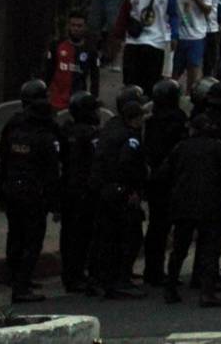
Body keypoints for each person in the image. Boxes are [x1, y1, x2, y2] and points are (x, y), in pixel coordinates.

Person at [159, 113, 221, 306]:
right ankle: (207, 293)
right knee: (209, 249)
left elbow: (163, 174)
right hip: (212, 206)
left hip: (183, 205)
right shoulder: (218, 148)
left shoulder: (181, 147)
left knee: (179, 248)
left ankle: (170, 288)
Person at [0, 79, 61, 302]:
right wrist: (55, 202)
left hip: (13, 188)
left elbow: (3, 160)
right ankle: (21, 287)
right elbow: (53, 168)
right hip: (34, 193)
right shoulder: (46, 128)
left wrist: (1, 192)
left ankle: (15, 277)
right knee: (32, 240)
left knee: (16, 235)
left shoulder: (13, 125)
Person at [91, 94, 149, 299]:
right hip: (120, 194)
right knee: (129, 237)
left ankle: (103, 278)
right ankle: (120, 279)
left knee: (107, 237)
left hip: (105, 191)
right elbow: (127, 165)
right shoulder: (130, 138)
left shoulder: (110, 129)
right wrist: (131, 190)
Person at [142, 78, 189, 287]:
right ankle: (166, 272)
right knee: (174, 228)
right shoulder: (178, 120)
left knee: (156, 227)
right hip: (172, 181)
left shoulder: (150, 121)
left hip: (155, 180)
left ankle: (152, 270)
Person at [58, 92, 100, 293]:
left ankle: (70, 274)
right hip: (83, 191)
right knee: (81, 236)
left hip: (67, 190)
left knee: (69, 235)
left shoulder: (65, 132)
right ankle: (76, 276)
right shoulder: (90, 135)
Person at [122, 0, 173, 90]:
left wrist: (174, 35)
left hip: (156, 42)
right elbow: (124, 13)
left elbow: (174, 15)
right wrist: (118, 34)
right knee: (130, 79)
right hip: (133, 40)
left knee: (151, 80)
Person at [168, 0, 211, 92]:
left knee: (193, 69)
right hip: (178, 36)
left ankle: (190, 95)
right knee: (174, 70)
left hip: (196, 36)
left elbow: (208, 10)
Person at [44, 11, 97, 111]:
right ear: (68, 26)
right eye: (73, 25)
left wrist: (93, 99)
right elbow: (48, 71)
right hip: (56, 101)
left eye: (79, 26)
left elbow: (95, 77)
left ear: (85, 27)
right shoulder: (56, 45)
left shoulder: (90, 50)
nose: (76, 29)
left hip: (78, 102)